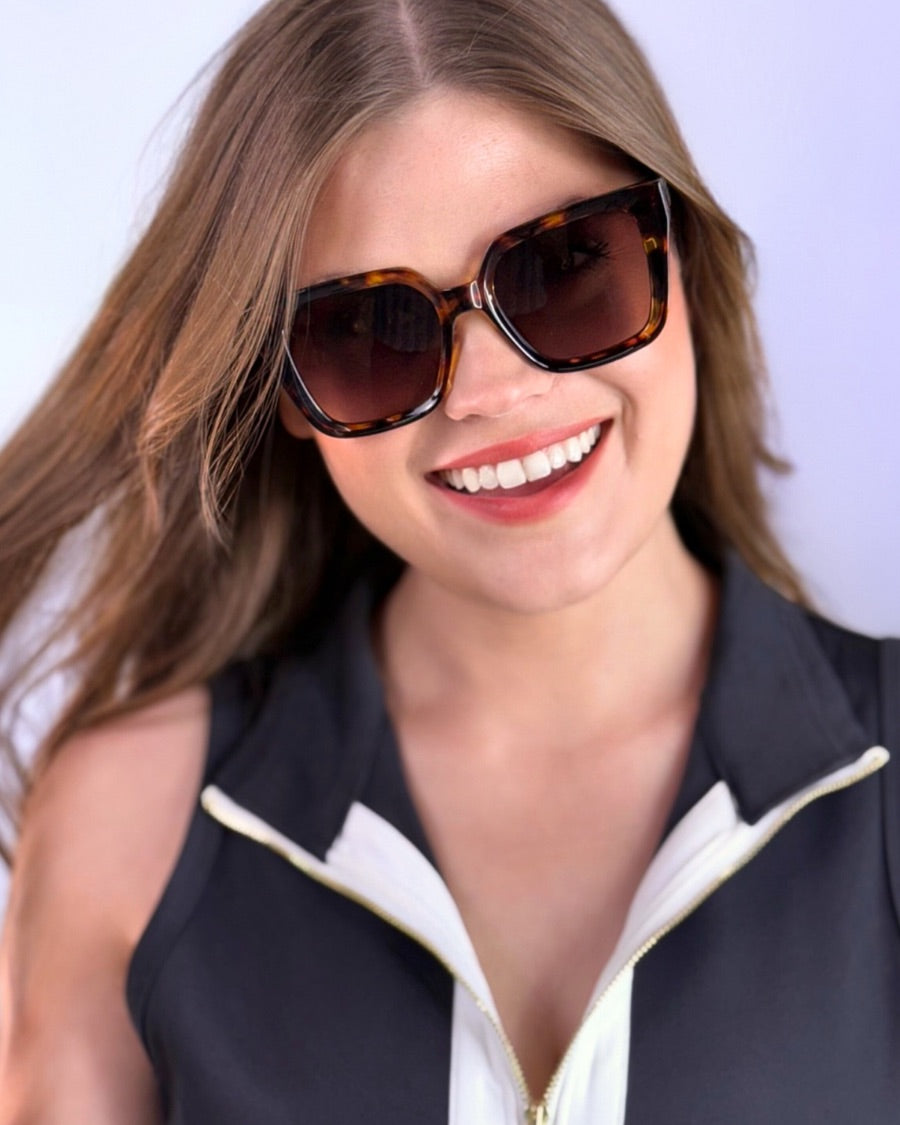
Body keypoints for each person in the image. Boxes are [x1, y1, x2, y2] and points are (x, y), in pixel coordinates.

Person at [0, 1, 897, 1122]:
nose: (490, 399)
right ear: (283, 394)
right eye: (368, 334)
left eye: (566, 267)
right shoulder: (134, 823)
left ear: (680, 256)